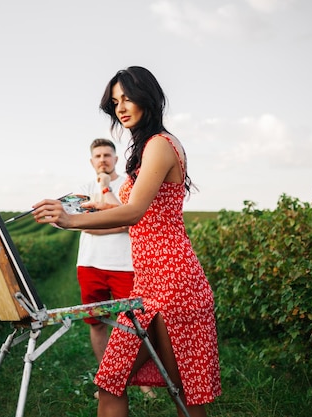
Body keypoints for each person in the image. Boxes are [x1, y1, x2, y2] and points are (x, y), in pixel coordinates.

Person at [32, 66, 222, 417]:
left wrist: (71, 219)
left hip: (173, 281)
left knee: (182, 392)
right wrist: (87, 209)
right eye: (116, 101)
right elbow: (133, 215)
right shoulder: (145, 148)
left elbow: (134, 212)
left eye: (128, 98)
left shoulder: (161, 145)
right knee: (110, 381)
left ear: (148, 98)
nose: (121, 107)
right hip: (147, 281)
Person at [76, 138, 155, 400]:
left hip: (124, 265)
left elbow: (129, 220)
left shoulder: (128, 186)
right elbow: (84, 225)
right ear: (91, 161)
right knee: (96, 322)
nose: (102, 160)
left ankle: (140, 380)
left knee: (133, 323)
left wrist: (106, 190)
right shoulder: (84, 189)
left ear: (116, 159)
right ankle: (107, 379)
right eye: (97, 156)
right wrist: (114, 223)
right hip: (89, 265)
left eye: (107, 155)